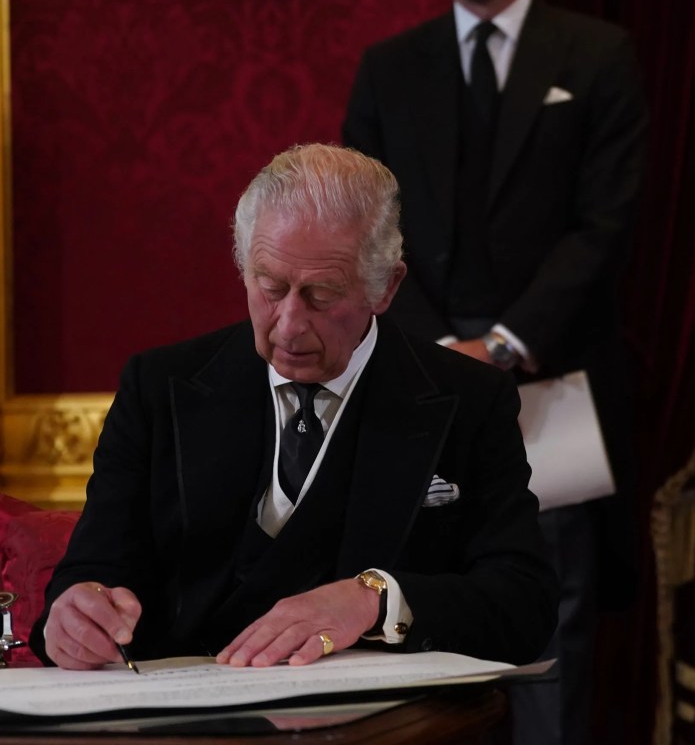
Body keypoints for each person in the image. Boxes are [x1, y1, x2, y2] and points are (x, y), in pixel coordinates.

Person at [30, 143, 557, 674]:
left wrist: (375, 600)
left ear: (386, 287)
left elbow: (523, 606)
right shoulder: (158, 387)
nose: (288, 324)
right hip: (186, 714)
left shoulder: (469, 398)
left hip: (380, 721)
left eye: (322, 294)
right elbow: (90, 574)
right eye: (270, 286)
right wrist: (72, 618)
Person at [343, 0, 646, 745]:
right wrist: (442, 355)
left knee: (553, 634)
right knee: (416, 630)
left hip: (550, 395)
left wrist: (503, 346)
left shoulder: (596, 55)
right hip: (420, 392)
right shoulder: (390, 70)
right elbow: (363, 234)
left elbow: (605, 226)